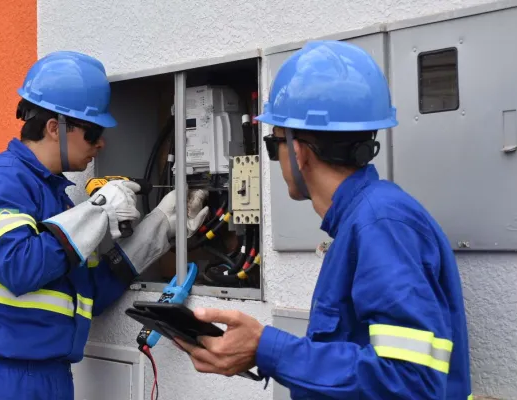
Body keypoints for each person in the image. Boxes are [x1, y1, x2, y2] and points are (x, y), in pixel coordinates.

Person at [175, 40, 473, 399]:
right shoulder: (365, 220)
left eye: (274, 144)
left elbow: (410, 380)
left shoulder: (382, 225)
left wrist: (267, 349)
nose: (276, 157)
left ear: (298, 152)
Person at [0, 50, 209, 399]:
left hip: (51, 376)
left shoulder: (58, 198)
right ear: (55, 128)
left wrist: (158, 229)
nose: (101, 143)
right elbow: (19, 267)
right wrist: (97, 212)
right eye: (93, 131)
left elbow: (89, 295)